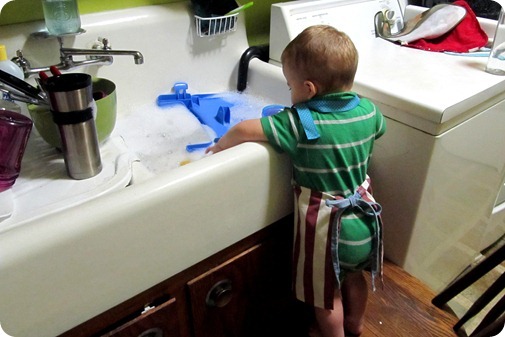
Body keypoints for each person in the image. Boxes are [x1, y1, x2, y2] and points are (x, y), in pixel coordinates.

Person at [206, 25, 386, 337]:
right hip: (366, 221)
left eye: (290, 87)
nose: (290, 93)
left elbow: (245, 129)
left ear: (309, 89)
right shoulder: (369, 110)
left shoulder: (300, 123)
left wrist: (219, 146)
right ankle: (355, 326)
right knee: (354, 278)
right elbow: (378, 130)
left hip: (330, 229)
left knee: (327, 296)